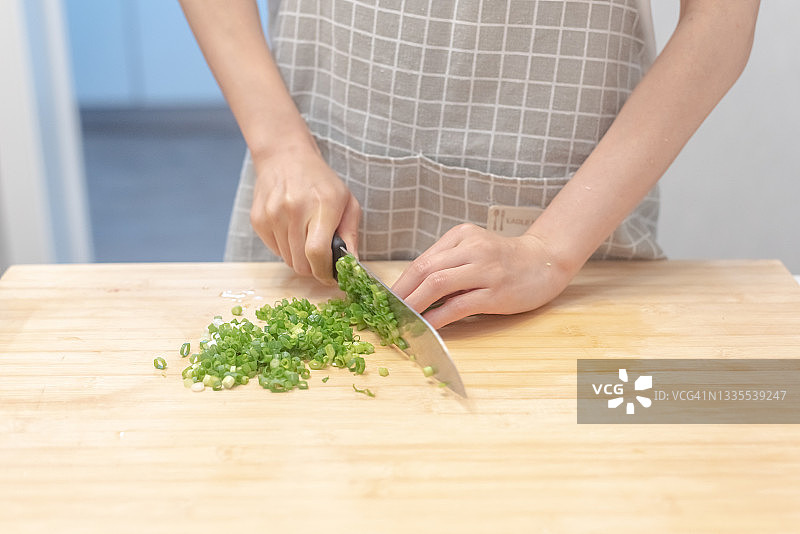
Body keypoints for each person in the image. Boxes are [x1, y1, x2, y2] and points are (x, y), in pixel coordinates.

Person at [179, 0, 760, 328]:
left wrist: (549, 252)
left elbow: (719, 23)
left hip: (567, 223)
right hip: (312, 207)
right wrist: (279, 145)